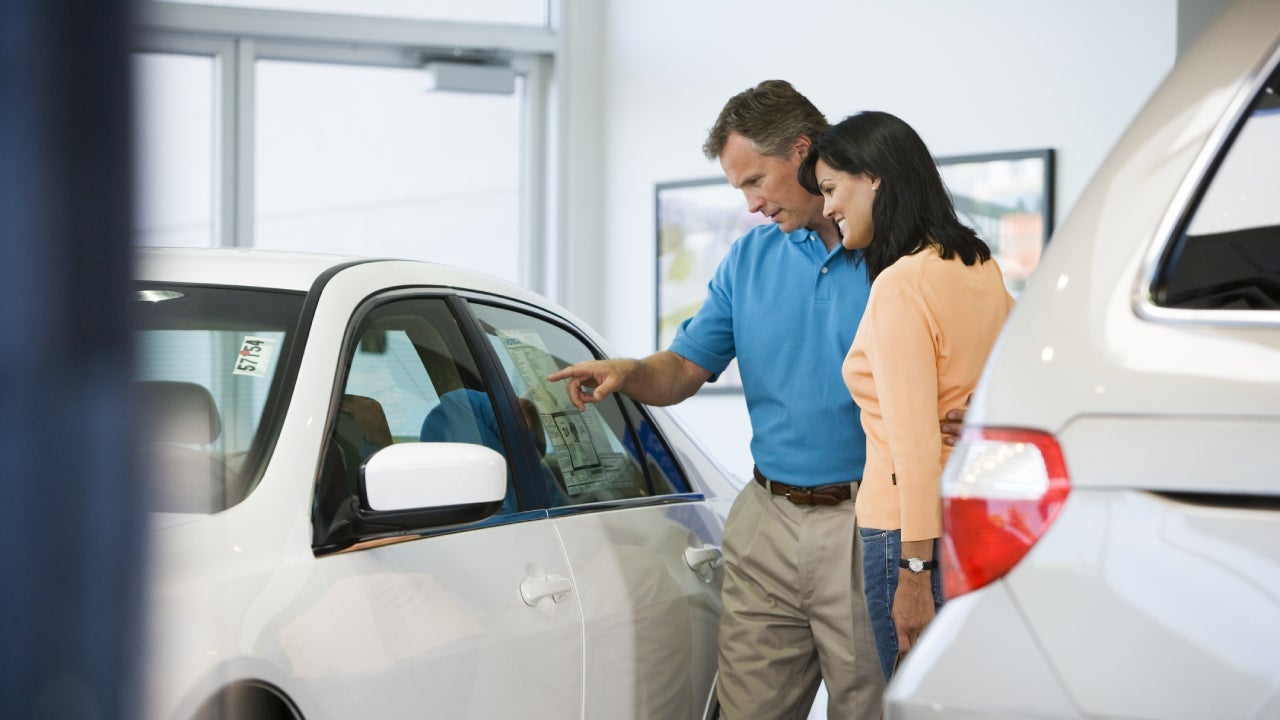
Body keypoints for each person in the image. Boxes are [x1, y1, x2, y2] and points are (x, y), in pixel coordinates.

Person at [547, 80, 885, 719]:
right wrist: (629, 370)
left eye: (756, 181)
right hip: (767, 519)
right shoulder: (749, 260)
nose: (753, 205)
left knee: (870, 707)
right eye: (740, 190)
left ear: (804, 152)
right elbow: (681, 370)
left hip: (865, 520)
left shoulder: (895, 259)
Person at [798, 111, 1014, 680]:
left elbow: (914, 446)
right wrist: (988, 417)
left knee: (915, 696)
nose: (827, 209)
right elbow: (1021, 371)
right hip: (979, 517)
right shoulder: (978, 265)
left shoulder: (901, 284)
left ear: (873, 177)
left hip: (910, 533)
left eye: (831, 189)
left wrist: (913, 572)